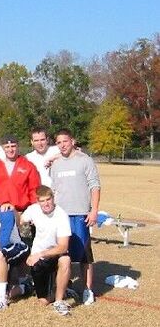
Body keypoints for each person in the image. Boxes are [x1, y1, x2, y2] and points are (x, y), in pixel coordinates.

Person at [50, 128, 101, 305]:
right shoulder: (56, 165)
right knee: (63, 253)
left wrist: (94, 210)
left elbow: (95, 186)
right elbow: (54, 190)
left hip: (80, 214)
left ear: (72, 141)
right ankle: (64, 286)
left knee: (84, 255)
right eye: (58, 142)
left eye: (65, 141)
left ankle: (88, 289)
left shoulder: (84, 160)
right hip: (61, 216)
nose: (62, 145)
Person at [20, 186, 73, 316]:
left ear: (53, 198)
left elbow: (63, 246)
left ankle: (59, 300)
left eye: (48, 199)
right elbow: (21, 220)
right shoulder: (33, 210)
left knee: (65, 260)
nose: (46, 203)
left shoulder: (61, 215)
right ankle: (58, 290)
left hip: (55, 254)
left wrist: (40, 254)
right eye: (42, 201)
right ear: (37, 202)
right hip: (39, 259)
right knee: (43, 301)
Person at [0, 136, 40, 213]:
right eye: (7, 147)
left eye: (13, 146)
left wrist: (34, 211)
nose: (10, 150)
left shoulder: (28, 166)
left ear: (18, 147)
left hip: (21, 211)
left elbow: (34, 190)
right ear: (3, 148)